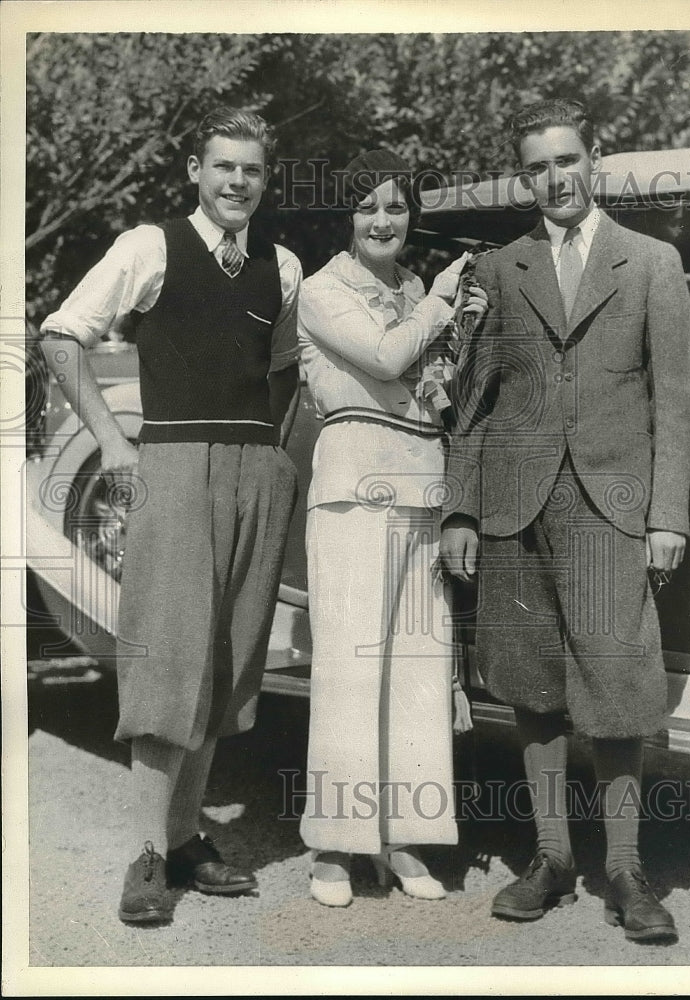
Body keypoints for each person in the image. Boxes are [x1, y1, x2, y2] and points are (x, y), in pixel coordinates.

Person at [440, 98, 690, 943]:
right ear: (526, 176)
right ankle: (549, 859)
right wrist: (463, 509)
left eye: (567, 160)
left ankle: (624, 870)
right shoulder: (500, 267)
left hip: (611, 508)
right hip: (516, 506)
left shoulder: (650, 262)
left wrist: (667, 516)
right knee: (531, 687)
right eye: (538, 166)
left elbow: (673, 405)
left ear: (595, 159)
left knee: (617, 688)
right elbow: (475, 403)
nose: (554, 178)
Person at [40, 107, 302, 924]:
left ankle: (188, 838)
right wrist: (115, 444)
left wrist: (272, 456)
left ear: (266, 179)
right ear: (195, 169)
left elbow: (285, 369)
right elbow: (60, 335)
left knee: (225, 665)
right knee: (166, 658)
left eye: (250, 170)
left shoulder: (283, 265)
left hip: (255, 471)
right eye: (221, 167)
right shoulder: (147, 246)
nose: (235, 182)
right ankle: (148, 854)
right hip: (174, 470)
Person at [297, 149, 487, 906]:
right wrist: (442, 304)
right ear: (346, 216)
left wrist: (460, 333)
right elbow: (382, 357)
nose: (383, 221)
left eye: (397, 207)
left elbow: (433, 388)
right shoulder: (320, 291)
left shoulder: (413, 287)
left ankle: (403, 839)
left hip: (421, 485)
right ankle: (335, 848)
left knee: (417, 667)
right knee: (348, 667)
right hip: (351, 486)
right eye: (368, 206)